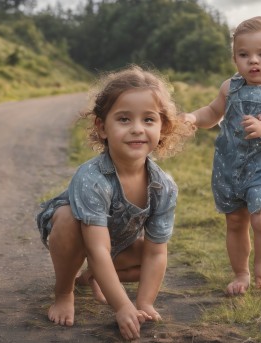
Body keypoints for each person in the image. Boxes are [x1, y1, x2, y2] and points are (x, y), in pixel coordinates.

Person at [36, 65, 194, 340]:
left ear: (163, 127)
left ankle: (92, 278)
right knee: (69, 219)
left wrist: (143, 303)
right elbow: (97, 248)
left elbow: (157, 252)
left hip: (115, 244)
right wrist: (122, 306)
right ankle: (64, 291)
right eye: (124, 119)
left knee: (148, 263)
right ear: (102, 126)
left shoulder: (163, 186)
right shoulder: (92, 178)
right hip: (78, 236)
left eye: (148, 120)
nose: (137, 129)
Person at [183, 16, 261, 296]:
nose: (253, 61)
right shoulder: (230, 87)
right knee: (235, 222)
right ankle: (240, 273)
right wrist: (191, 117)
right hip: (230, 169)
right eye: (244, 55)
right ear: (235, 58)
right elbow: (212, 114)